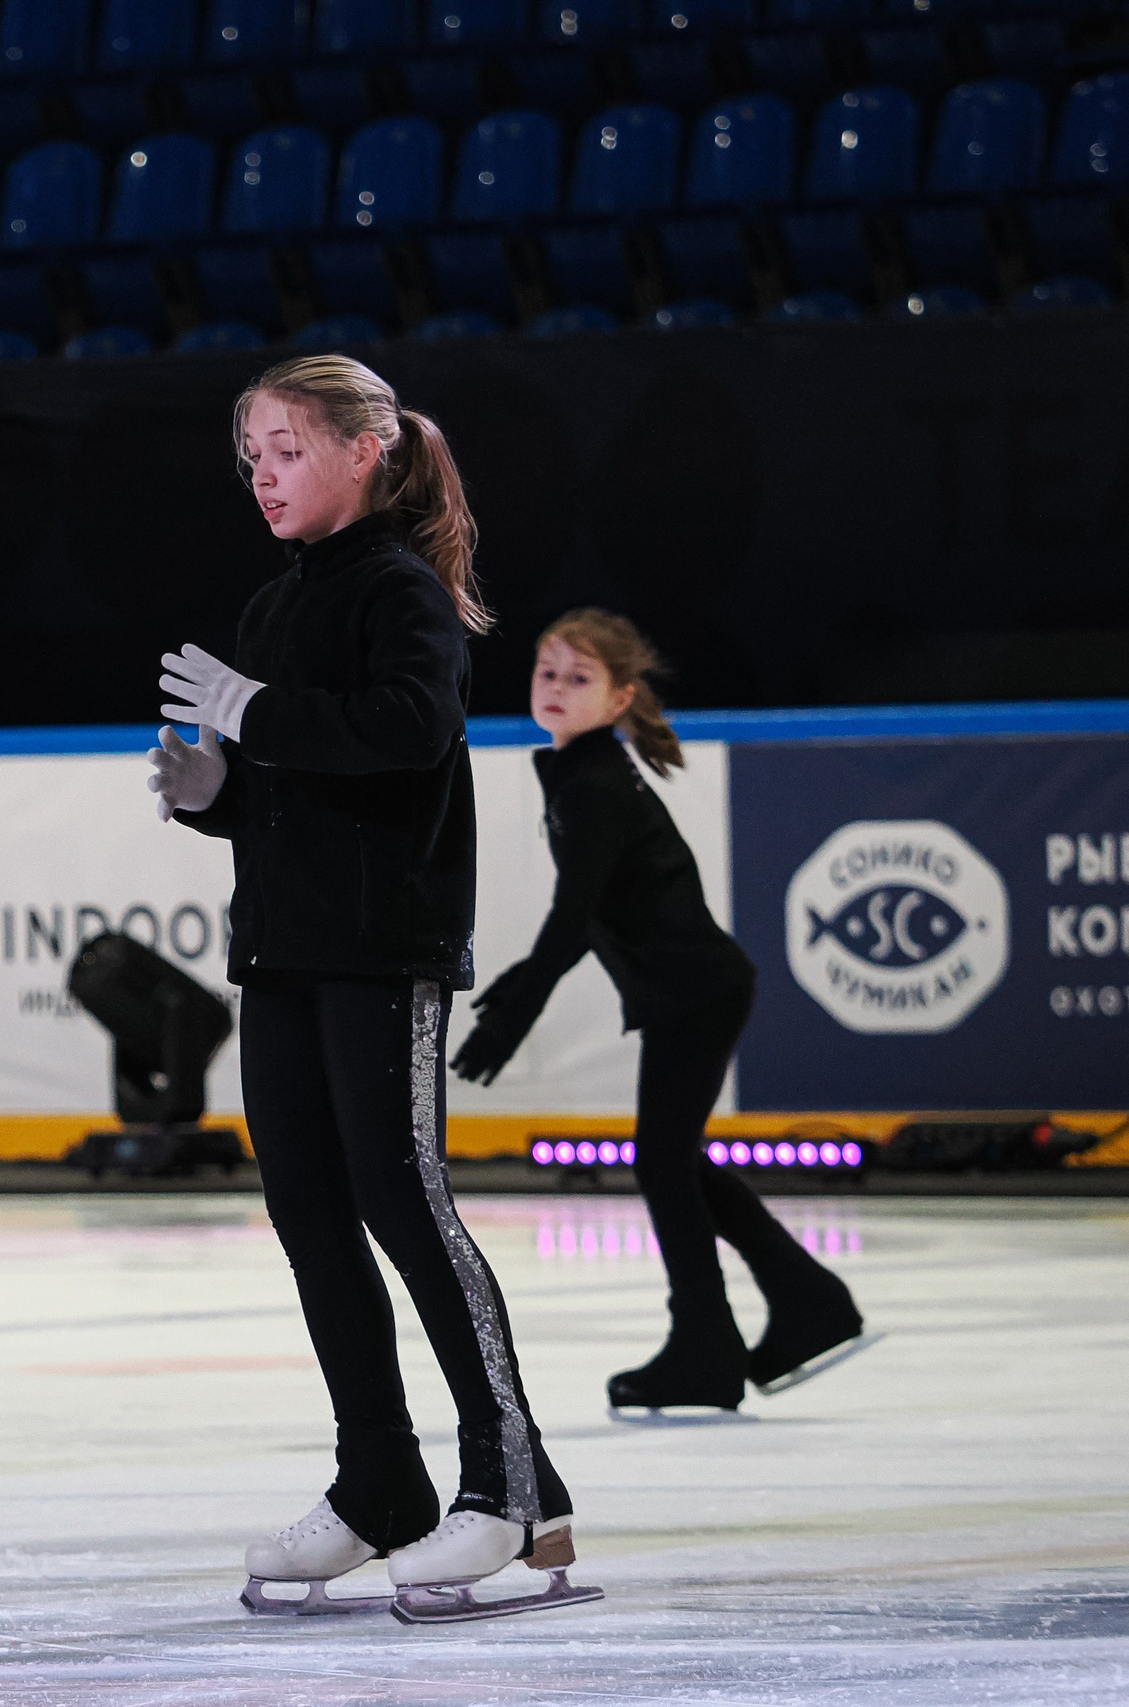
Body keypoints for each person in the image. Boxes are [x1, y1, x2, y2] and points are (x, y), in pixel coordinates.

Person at [150, 355, 596, 1623]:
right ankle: (380, 1482)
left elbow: (409, 731)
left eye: (287, 450)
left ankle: (511, 1486)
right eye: (251, 458)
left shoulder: (403, 589)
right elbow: (288, 785)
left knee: (404, 1202)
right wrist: (216, 797)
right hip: (281, 949)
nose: (263, 476)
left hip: (381, 947)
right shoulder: (272, 606)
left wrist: (258, 718)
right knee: (305, 1208)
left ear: (365, 451)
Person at [450, 610, 873, 1414]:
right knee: (673, 1160)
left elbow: (574, 914)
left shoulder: (596, 784)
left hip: (696, 993)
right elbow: (587, 911)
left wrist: (518, 1007)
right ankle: (805, 1300)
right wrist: (520, 988)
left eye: (579, 678)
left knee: (663, 1161)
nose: (557, 688)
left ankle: (711, 1344)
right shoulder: (582, 772)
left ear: (619, 699)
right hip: (692, 991)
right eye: (548, 672)